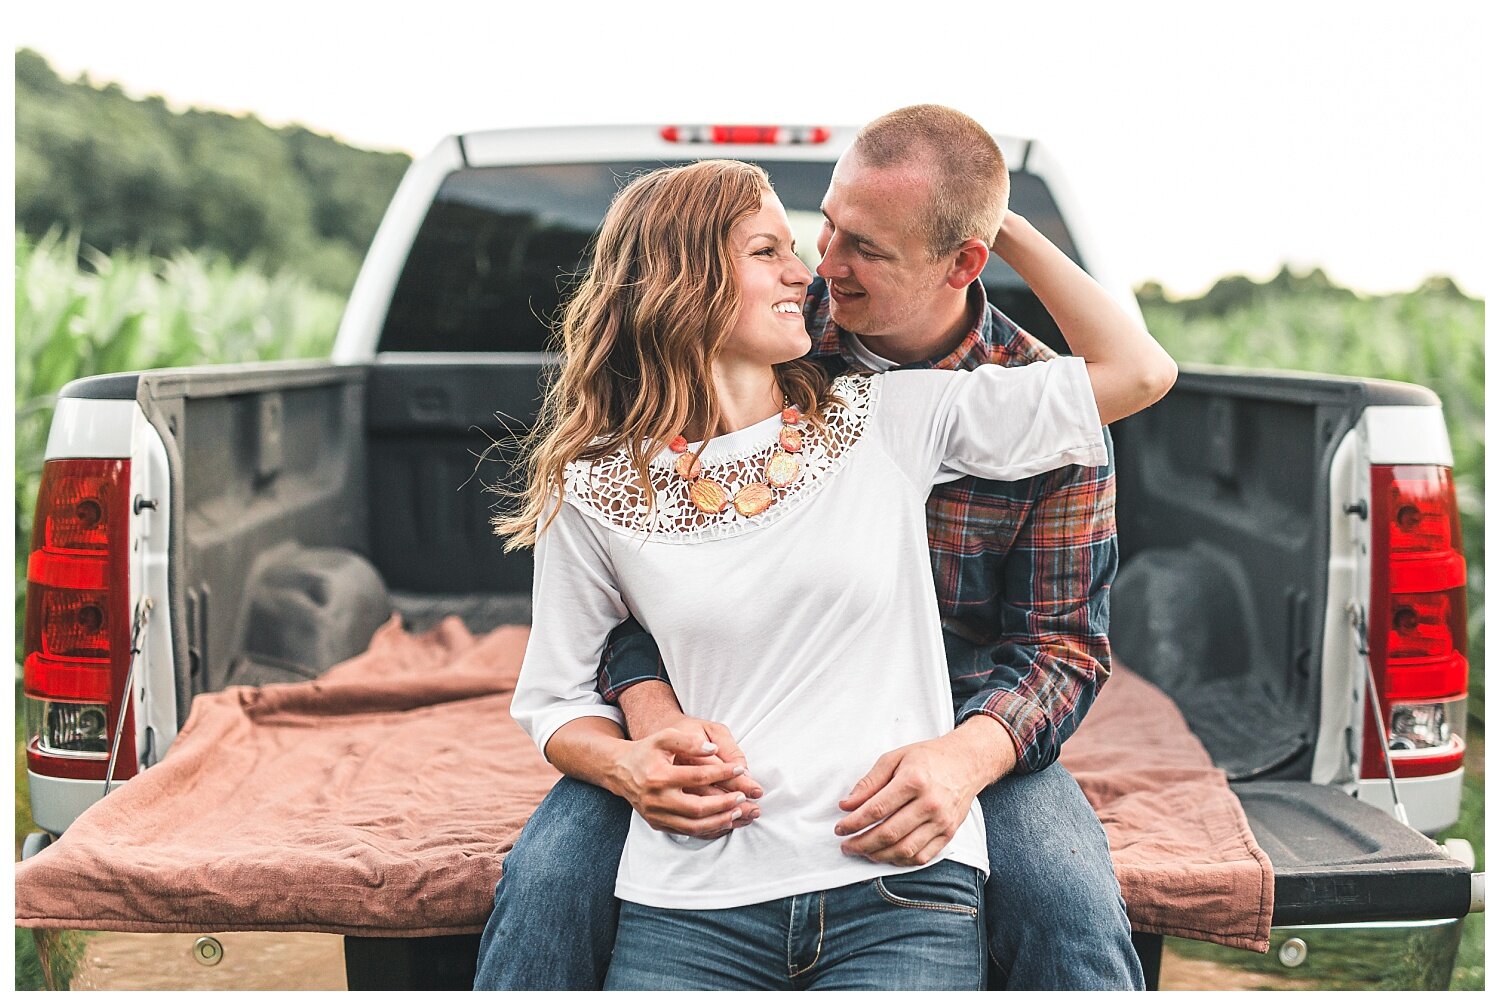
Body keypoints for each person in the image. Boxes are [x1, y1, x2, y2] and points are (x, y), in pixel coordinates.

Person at [481, 113, 1176, 990]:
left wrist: (963, 760)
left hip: (973, 712)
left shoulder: (1018, 407)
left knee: (1066, 906)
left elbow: (1063, 647)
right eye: (826, 227)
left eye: (866, 249)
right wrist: (651, 718)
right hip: (723, 703)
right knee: (548, 883)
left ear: (964, 261)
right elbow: (646, 579)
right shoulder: (771, 332)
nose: (823, 266)